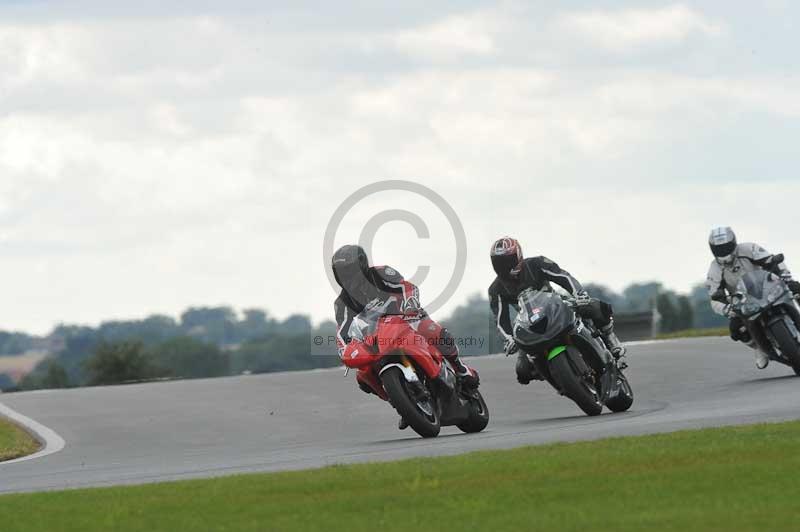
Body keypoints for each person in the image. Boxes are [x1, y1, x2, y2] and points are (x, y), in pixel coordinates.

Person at [332, 245, 479, 426]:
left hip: (407, 316)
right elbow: (343, 331)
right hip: (378, 335)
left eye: (349, 271)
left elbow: (406, 287)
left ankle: (461, 368)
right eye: (341, 273)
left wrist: (409, 305)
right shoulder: (342, 302)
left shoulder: (381, 273)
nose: (347, 277)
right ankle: (402, 402)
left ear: (361, 266)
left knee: (430, 329)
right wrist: (345, 348)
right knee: (363, 376)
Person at [487, 237, 626, 385]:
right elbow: (501, 319)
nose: (504, 267)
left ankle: (610, 340)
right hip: (530, 323)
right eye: (499, 263)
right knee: (523, 371)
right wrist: (509, 339)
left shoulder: (537, 263)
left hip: (557, 305)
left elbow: (563, 277)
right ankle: (560, 378)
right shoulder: (495, 289)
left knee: (594, 306)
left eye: (508, 261)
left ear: (518, 256)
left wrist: (579, 294)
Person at [705, 226, 800, 369]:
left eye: (725, 247)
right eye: (719, 249)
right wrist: (727, 309)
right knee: (737, 330)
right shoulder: (715, 269)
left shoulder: (749, 249)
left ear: (733, 243)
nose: (723, 251)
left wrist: (786, 277)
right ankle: (758, 348)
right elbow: (714, 297)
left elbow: (773, 260)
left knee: (796, 289)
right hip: (743, 301)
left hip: (768, 288)